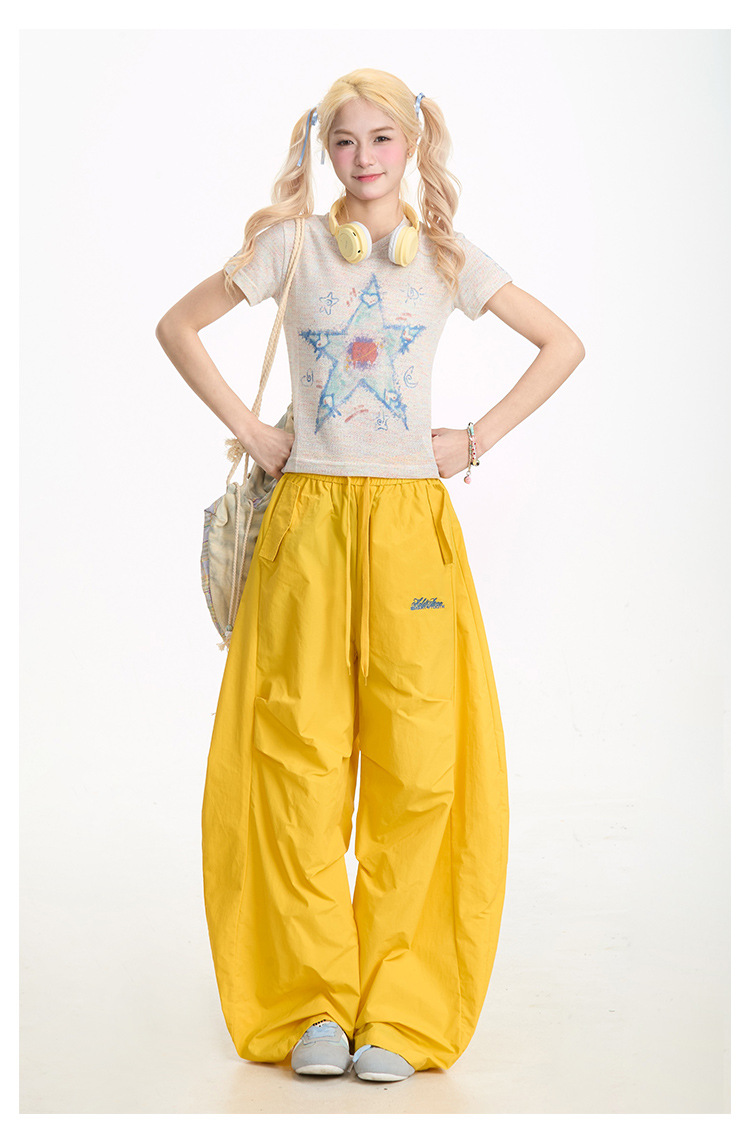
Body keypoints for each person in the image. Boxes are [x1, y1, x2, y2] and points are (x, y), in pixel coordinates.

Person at [155, 67, 585, 1084]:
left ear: (413, 144)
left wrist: (473, 438)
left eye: (381, 139)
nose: (363, 159)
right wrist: (254, 431)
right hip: (306, 523)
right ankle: (309, 1003)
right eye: (344, 141)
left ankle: (401, 1007)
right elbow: (177, 326)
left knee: (419, 768)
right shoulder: (292, 246)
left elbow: (562, 343)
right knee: (293, 760)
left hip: (409, 529)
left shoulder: (445, 257)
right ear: (324, 148)